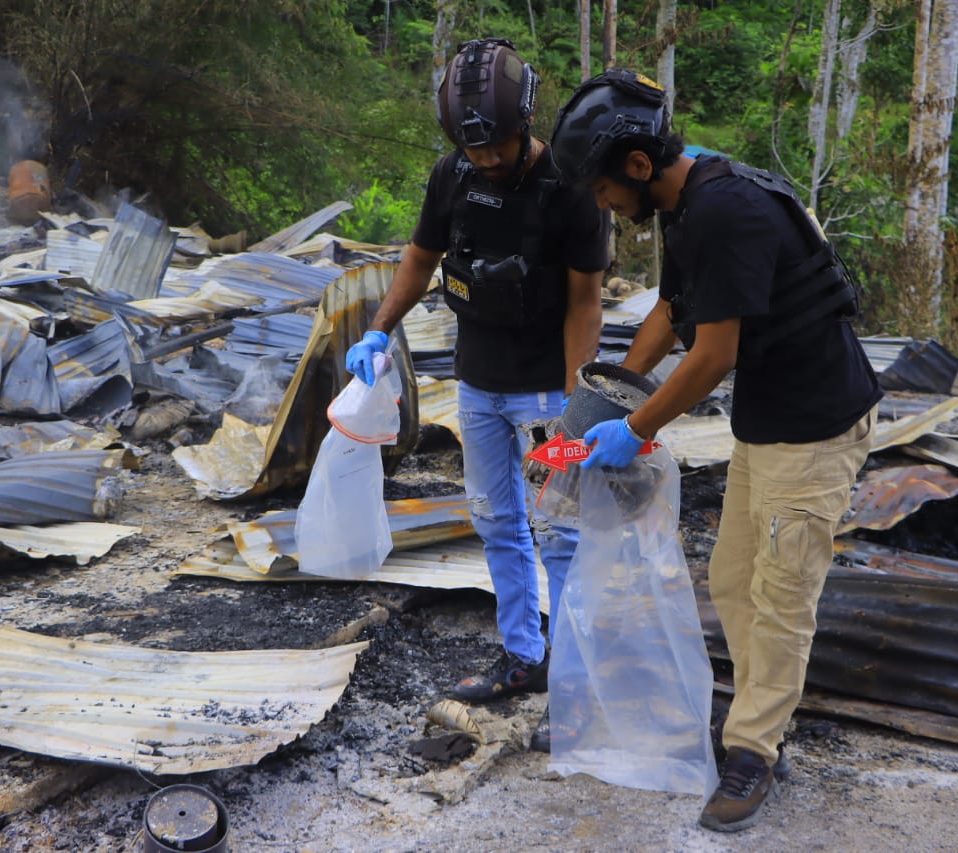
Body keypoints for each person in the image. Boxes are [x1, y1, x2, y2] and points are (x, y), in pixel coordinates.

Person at [549, 68, 882, 831]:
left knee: (783, 594)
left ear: (636, 165)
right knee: (734, 580)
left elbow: (714, 353)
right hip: (768, 424)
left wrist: (635, 428)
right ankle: (760, 721)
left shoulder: (727, 208)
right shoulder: (684, 201)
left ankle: (756, 749)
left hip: (818, 427)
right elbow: (674, 307)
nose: (601, 204)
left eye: (601, 189)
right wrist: (617, 387)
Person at [345, 38, 610, 753]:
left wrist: (573, 402)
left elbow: (587, 300)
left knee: (560, 534)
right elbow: (421, 258)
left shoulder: (571, 188)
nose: (486, 159)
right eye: (474, 149)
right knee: (497, 522)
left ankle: (576, 686)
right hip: (478, 383)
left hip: (543, 394)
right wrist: (378, 330)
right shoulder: (451, 174)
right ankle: (523, 656)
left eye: (496, 147)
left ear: (524, 122)